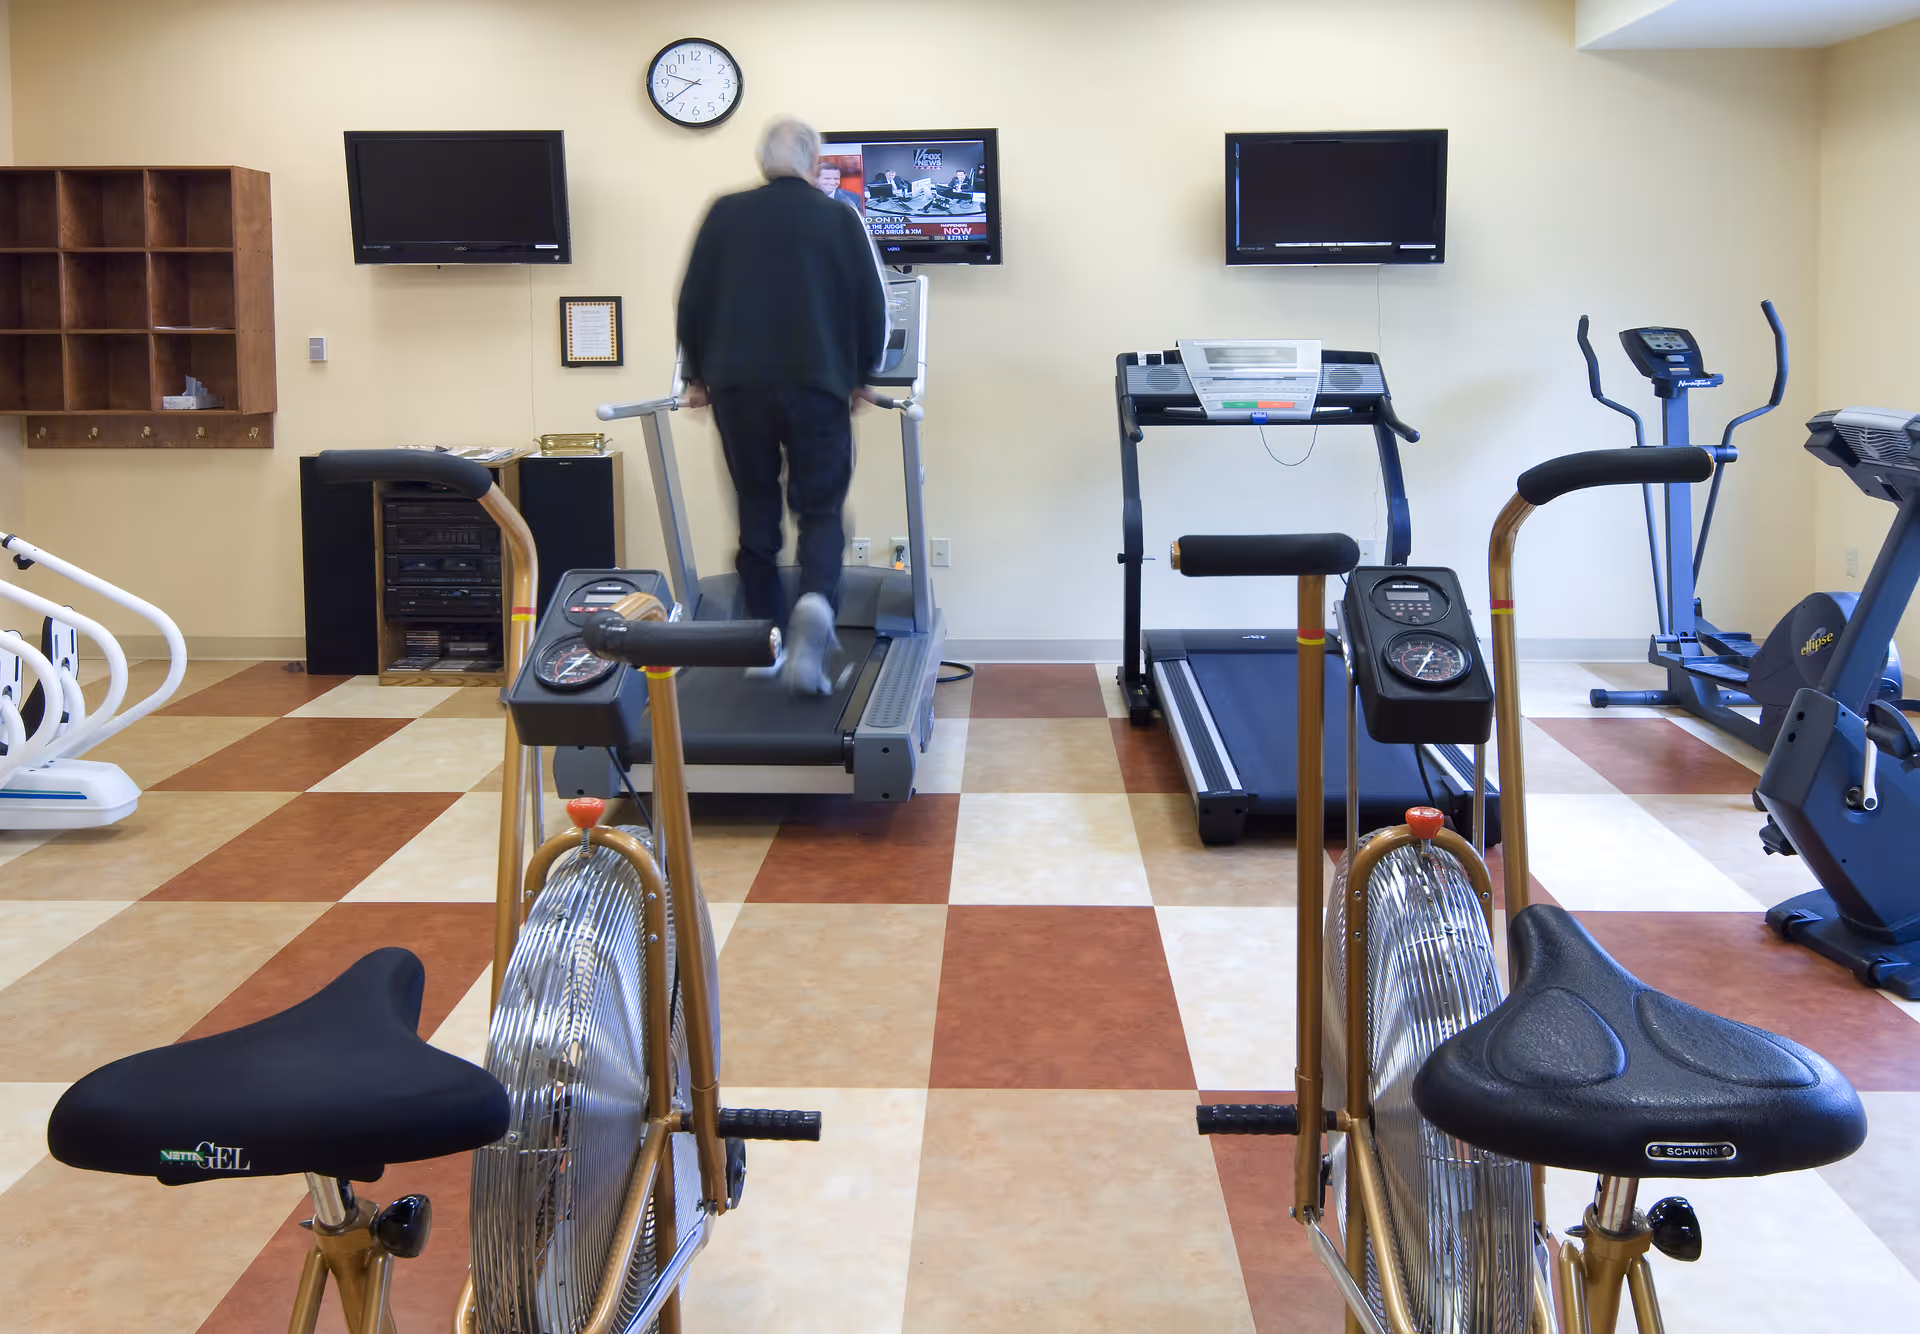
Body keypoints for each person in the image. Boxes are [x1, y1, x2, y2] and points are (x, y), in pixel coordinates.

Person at [677, 117, 886, 696]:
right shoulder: (838, 215)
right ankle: (816, 603)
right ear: (813, 159)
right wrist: (863, 374)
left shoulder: (724, 212)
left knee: (755, 507)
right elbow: (871, 303)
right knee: (819, 510)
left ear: (761, 160)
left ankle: (762, 637)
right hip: (819, 383)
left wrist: (696, 374)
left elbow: (693, 298)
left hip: (737, 387)